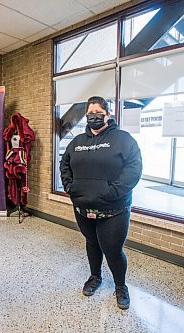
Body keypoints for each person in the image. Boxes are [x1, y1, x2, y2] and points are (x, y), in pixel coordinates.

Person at [60, 96, 142, 310]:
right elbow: (64, 163)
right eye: (90, 114)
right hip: (82, 206)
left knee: (113, 250)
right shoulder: (77, 142)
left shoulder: (123, 139)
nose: (94, 117)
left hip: (113, 208)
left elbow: (134, 169)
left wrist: (112, 192)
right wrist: (70, 187)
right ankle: (95, 277)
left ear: (108, 115)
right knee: (92, 243)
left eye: (98, 113)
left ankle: (121, 286)